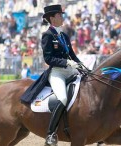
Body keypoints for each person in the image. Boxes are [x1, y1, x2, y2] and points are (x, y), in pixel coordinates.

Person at [41, 4, 82, 146]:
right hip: (57, 72)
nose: (62, 17)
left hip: (70, 71)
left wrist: (83, 67)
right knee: (63, 98)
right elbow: (48, 59)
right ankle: (51, 134)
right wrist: (67, 63)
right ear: (52, 18)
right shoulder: (47, 35)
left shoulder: (64, 35)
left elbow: (73, 55)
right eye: (59, 15)